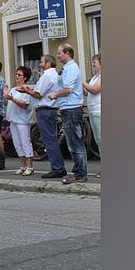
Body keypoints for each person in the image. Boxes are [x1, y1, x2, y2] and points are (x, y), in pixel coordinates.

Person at [19, 54, 66, 179]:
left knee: (49, 140)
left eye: (42, 62)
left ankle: (57, 168)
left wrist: (27, 91)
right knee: (51, 139)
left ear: (48, 63)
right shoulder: (52, 74)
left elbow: (38, 94)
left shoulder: (48, 75)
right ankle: (58, 167)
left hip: (45, 110)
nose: (40, 64)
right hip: (49, 109)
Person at [49, 44, 87, 184]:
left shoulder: (71, 68)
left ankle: (80, 173)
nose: (57, 56)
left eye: (59, 53)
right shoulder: (66, 68)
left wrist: (55, 95)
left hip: (71, 109)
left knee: (75, 143)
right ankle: (79, 172)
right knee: (73, 143)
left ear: (67, 53)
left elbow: (69, 89)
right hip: (68, 108)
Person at [3, 66, 35, 176]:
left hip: (23, 121)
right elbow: (5, 103)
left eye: (19, 75)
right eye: (16, 74)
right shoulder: (13, 89)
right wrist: (6, 95)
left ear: (25, 78)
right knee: (17, 144)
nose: (17, 76)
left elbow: (24, 105)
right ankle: (23, 165)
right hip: (13, 120)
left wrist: (13, 99)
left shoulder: (26, 90)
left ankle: (30, 166)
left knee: (25, 142)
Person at [83, 53, 101, 178]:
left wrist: (82, 82)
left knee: (102, 140)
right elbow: (89, 92)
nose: (92, 65)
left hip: (99, 112)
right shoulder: (95, 77)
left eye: (94, 63)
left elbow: (94, 90)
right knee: (99, 141)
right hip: (94, 112)